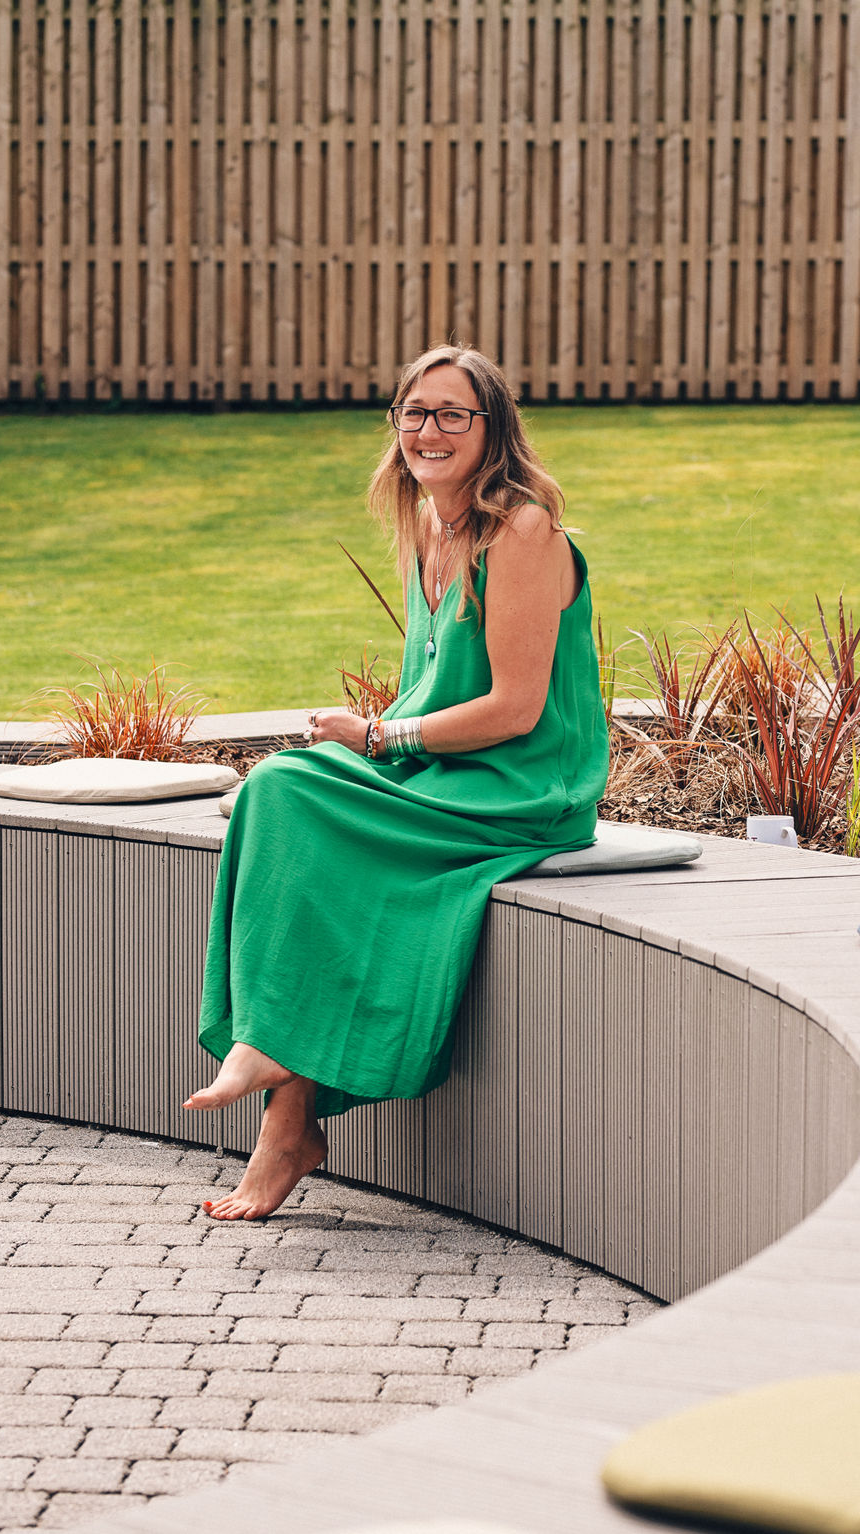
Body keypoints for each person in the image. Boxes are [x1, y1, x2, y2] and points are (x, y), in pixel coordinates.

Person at [184, 343, 609, 1220]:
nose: (429, 430)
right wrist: (376, 745)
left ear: (494, 430)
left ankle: (273, 1063)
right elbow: (436, 677)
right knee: (282, 791)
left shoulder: (523, 530)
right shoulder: (426, 522)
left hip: (521, 788)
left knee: (290, 794)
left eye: (453, 413)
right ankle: (287, 1113)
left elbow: (517, 709)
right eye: (414, 413)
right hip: (443, 768)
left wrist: (379, 737)